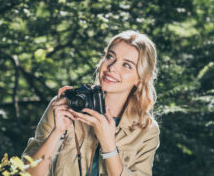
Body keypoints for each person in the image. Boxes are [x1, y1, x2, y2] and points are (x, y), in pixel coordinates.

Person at [22, 30, 160, 176]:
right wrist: (57, 132)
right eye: (110, 56)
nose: (112, 67)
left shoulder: (147, 130)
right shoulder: (64, 106)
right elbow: (28, 174)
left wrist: (108, 145)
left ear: (141, 79)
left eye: (127, 65)